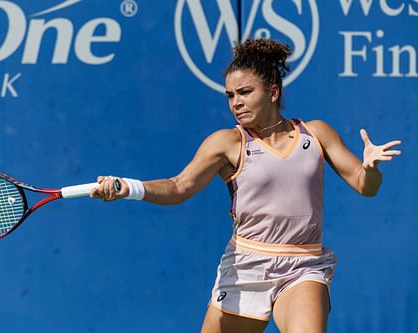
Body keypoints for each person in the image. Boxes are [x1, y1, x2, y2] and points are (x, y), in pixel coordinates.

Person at [90, 38, 402, 333]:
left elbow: (366, 186)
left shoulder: (316, 134)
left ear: (273, 92)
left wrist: (370, 168)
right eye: (230, 96)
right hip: (245, 266)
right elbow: (178, 186)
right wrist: (127, 187)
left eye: (244, 92)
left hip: (303, 265)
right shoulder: (227, 143)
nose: (235, 103)